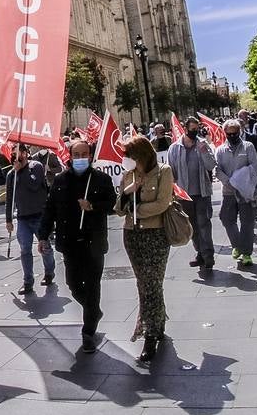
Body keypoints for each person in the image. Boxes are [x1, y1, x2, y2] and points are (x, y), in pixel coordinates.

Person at [37, 140, 116, 353]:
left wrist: (93, 206)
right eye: (76, 154)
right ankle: (93, 310)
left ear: (90, 156)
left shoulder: (101, 179)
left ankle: (88, 331)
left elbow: (113, 205)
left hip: (94, 243)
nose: (80, 158)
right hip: (70, 242)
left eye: (84, 154)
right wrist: (43, 236)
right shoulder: (61, 180)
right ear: (70, 156)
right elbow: (49, 209)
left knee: (92, 286)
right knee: (73, 284)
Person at [116, 135, 175, 361]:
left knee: (151, 282)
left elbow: (162, 203)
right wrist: (127, 192)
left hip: (155, 235)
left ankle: (149, 335)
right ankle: (157, 323)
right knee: (145, 282)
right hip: (132, 236)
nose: (127, 160)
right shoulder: (128, 175)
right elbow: (119, 209)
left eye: (130, 156)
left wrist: (136, 210)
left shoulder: (163, 171)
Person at [167, 120, 216, 278]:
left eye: (197, 129)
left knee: (204, 224)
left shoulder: (202, 145)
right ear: (185, 129)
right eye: (192, 129)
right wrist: (172, 191)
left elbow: (211, 165)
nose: (194, 132)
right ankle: (200, 253)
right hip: (184, 195)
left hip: (202, 193)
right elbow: (171, 171)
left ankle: (208, 256)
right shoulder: (175, 148)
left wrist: (203, 151)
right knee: (192, 226)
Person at [4, 147, 54, 296]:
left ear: (25, 153)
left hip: (39, 215)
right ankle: (27, 281)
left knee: (45, 247)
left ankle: (49, 272)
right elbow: (9, 198)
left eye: (19, 151)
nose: (16, 154)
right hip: (23, 218)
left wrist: (21, 171)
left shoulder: (36, 167)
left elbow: (34, 185)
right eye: (14, 152)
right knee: (25, 250)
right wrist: (8, 219)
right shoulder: (10, 175)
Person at [215, 118, 257, 270]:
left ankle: (246, 253)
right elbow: (217, 169)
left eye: (235, 133)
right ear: (225, 134)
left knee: (247, 222)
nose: (232, 136)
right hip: (228, 191)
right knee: (226, 218)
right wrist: (228, 181)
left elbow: (254, 166)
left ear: (239, 132)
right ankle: (237, 245)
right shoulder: (220, 150)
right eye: (229, 134)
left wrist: (243, 182)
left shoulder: (248, 147)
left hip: (246, 191)